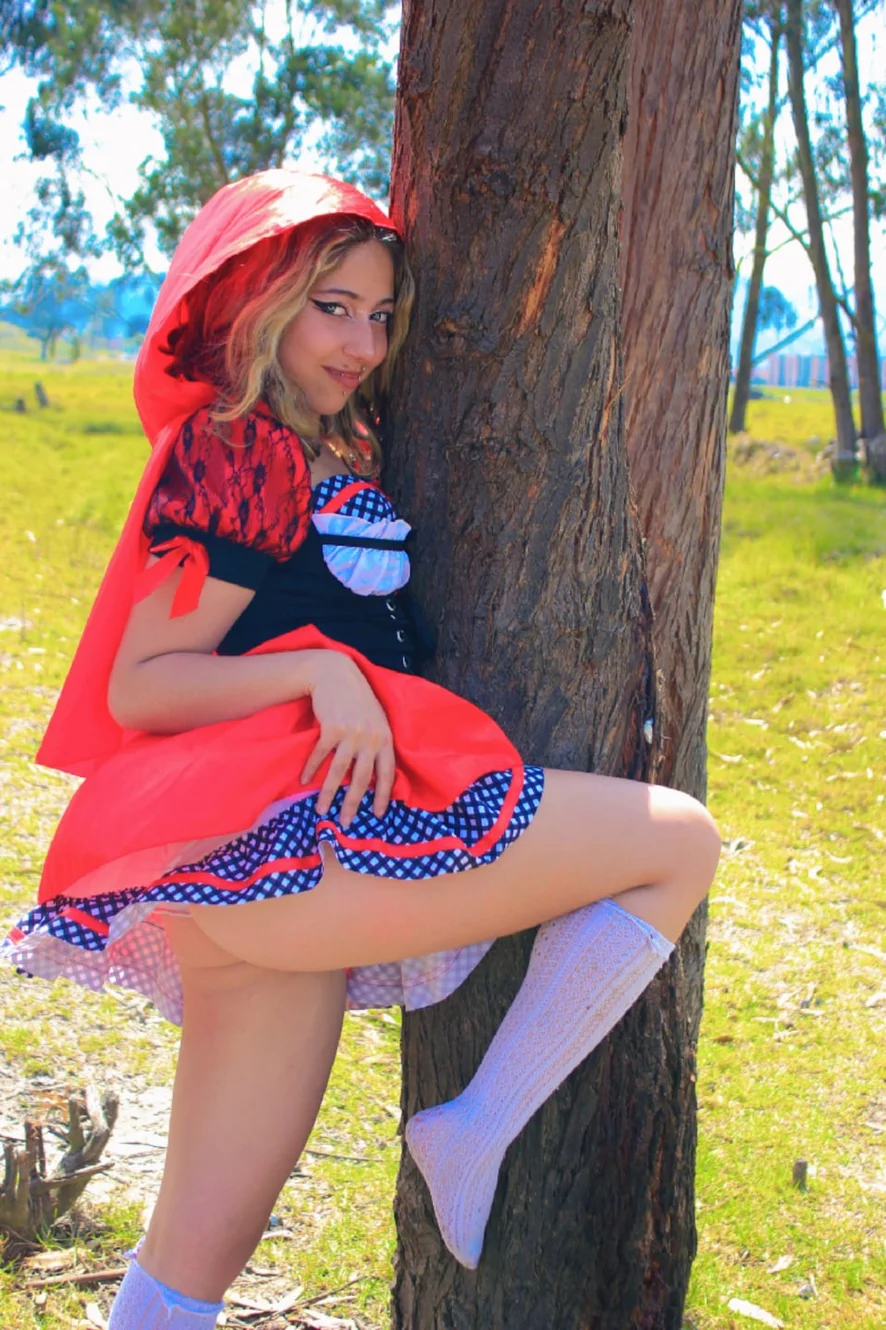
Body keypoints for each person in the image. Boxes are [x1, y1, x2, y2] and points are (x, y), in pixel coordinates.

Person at [3, 170, 720, 1328]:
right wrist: (321, 671)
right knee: (675, 842)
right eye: (332, 307)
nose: (363, 342)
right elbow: (146, 682)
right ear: (263, 302)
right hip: (276, 846)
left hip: (263, 890)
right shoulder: (237, 450)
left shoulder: (335, 441)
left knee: (193, 1259)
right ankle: (473, 1127)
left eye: (381, 315)